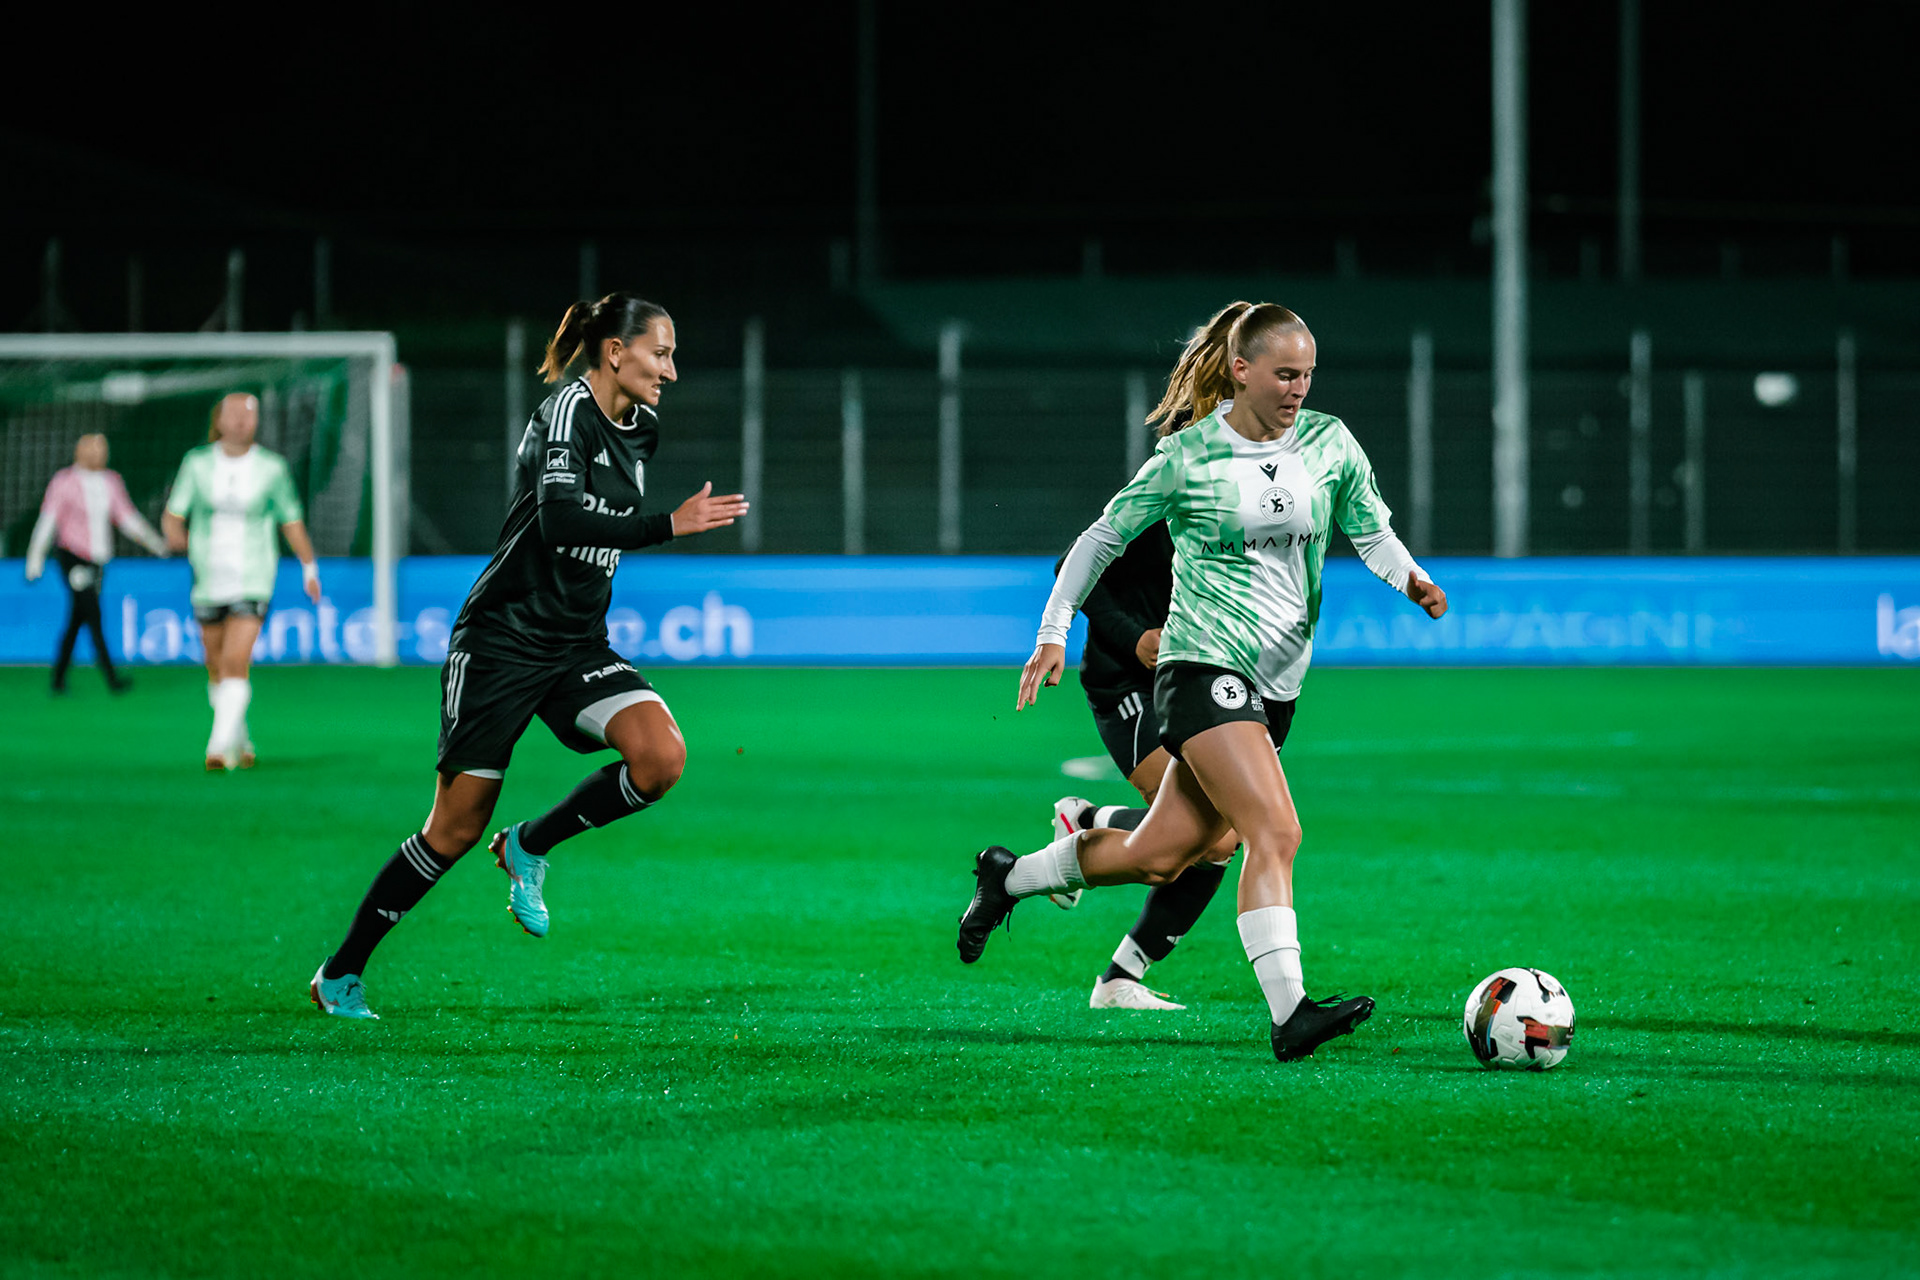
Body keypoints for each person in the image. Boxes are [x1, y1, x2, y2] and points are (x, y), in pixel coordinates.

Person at [957, 301, 1448, 1063]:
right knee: (1274, 832)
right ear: (1241, 370)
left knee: (1170, 852)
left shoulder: (1329, 442)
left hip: (1278, 680)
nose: (1298, 388)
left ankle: (1009, 877)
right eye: (1285, 373)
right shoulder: (1190, 458)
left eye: (1308, 374)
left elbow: (1369, 527)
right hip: (1201, 665)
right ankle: (1291, 1014)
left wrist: (1408, 578)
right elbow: (1097, 541)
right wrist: (1053, 633)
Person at [310, 292, 749, 1020]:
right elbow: (558, 519)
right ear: (616, 351)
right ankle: (341, 972)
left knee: (660, 758)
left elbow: (593, 531)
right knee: (453, 827)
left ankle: (530, 845)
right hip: (503, 640)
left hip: (576, 643)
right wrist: (668, 525)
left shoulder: (642, 429)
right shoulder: (565, 412)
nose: (671, 370)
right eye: (661, 352)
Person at [1046, 504, 1243, 1012]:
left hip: (1192, 677)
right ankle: (1118, 978)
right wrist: (1133, 636)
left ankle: (1089, 822)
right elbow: (1071, 563)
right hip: (1128, 684)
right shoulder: (1158, 498)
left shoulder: (1246, 502)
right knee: (1217, 834)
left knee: (1220, 839)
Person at [162, 393, 323, 770]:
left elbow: (291, 520)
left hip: (254, 576)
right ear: (218, 420)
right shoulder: (197, 463)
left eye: (249, 414)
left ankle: (217, 747)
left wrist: (309, 567)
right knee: (216, 665)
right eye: (233, 414)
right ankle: (241, 737)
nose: (241, 421)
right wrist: (174, 534)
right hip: (207, 577)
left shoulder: (271, 468)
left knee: (236, 659)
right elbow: (174, 513)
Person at [24, 433, 169, 693]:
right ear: (81, 451)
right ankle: (112, 679)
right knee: (92, 614)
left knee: (77, 618)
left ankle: (58, 679)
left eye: (104, 448)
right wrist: (35, 558)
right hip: (72, 556)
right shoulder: (64, 481)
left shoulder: (111, 481)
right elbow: (48, 521)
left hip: (98, 560)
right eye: (96, 448)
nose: (102, 453)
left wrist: (156, 543)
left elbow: (127, 518)